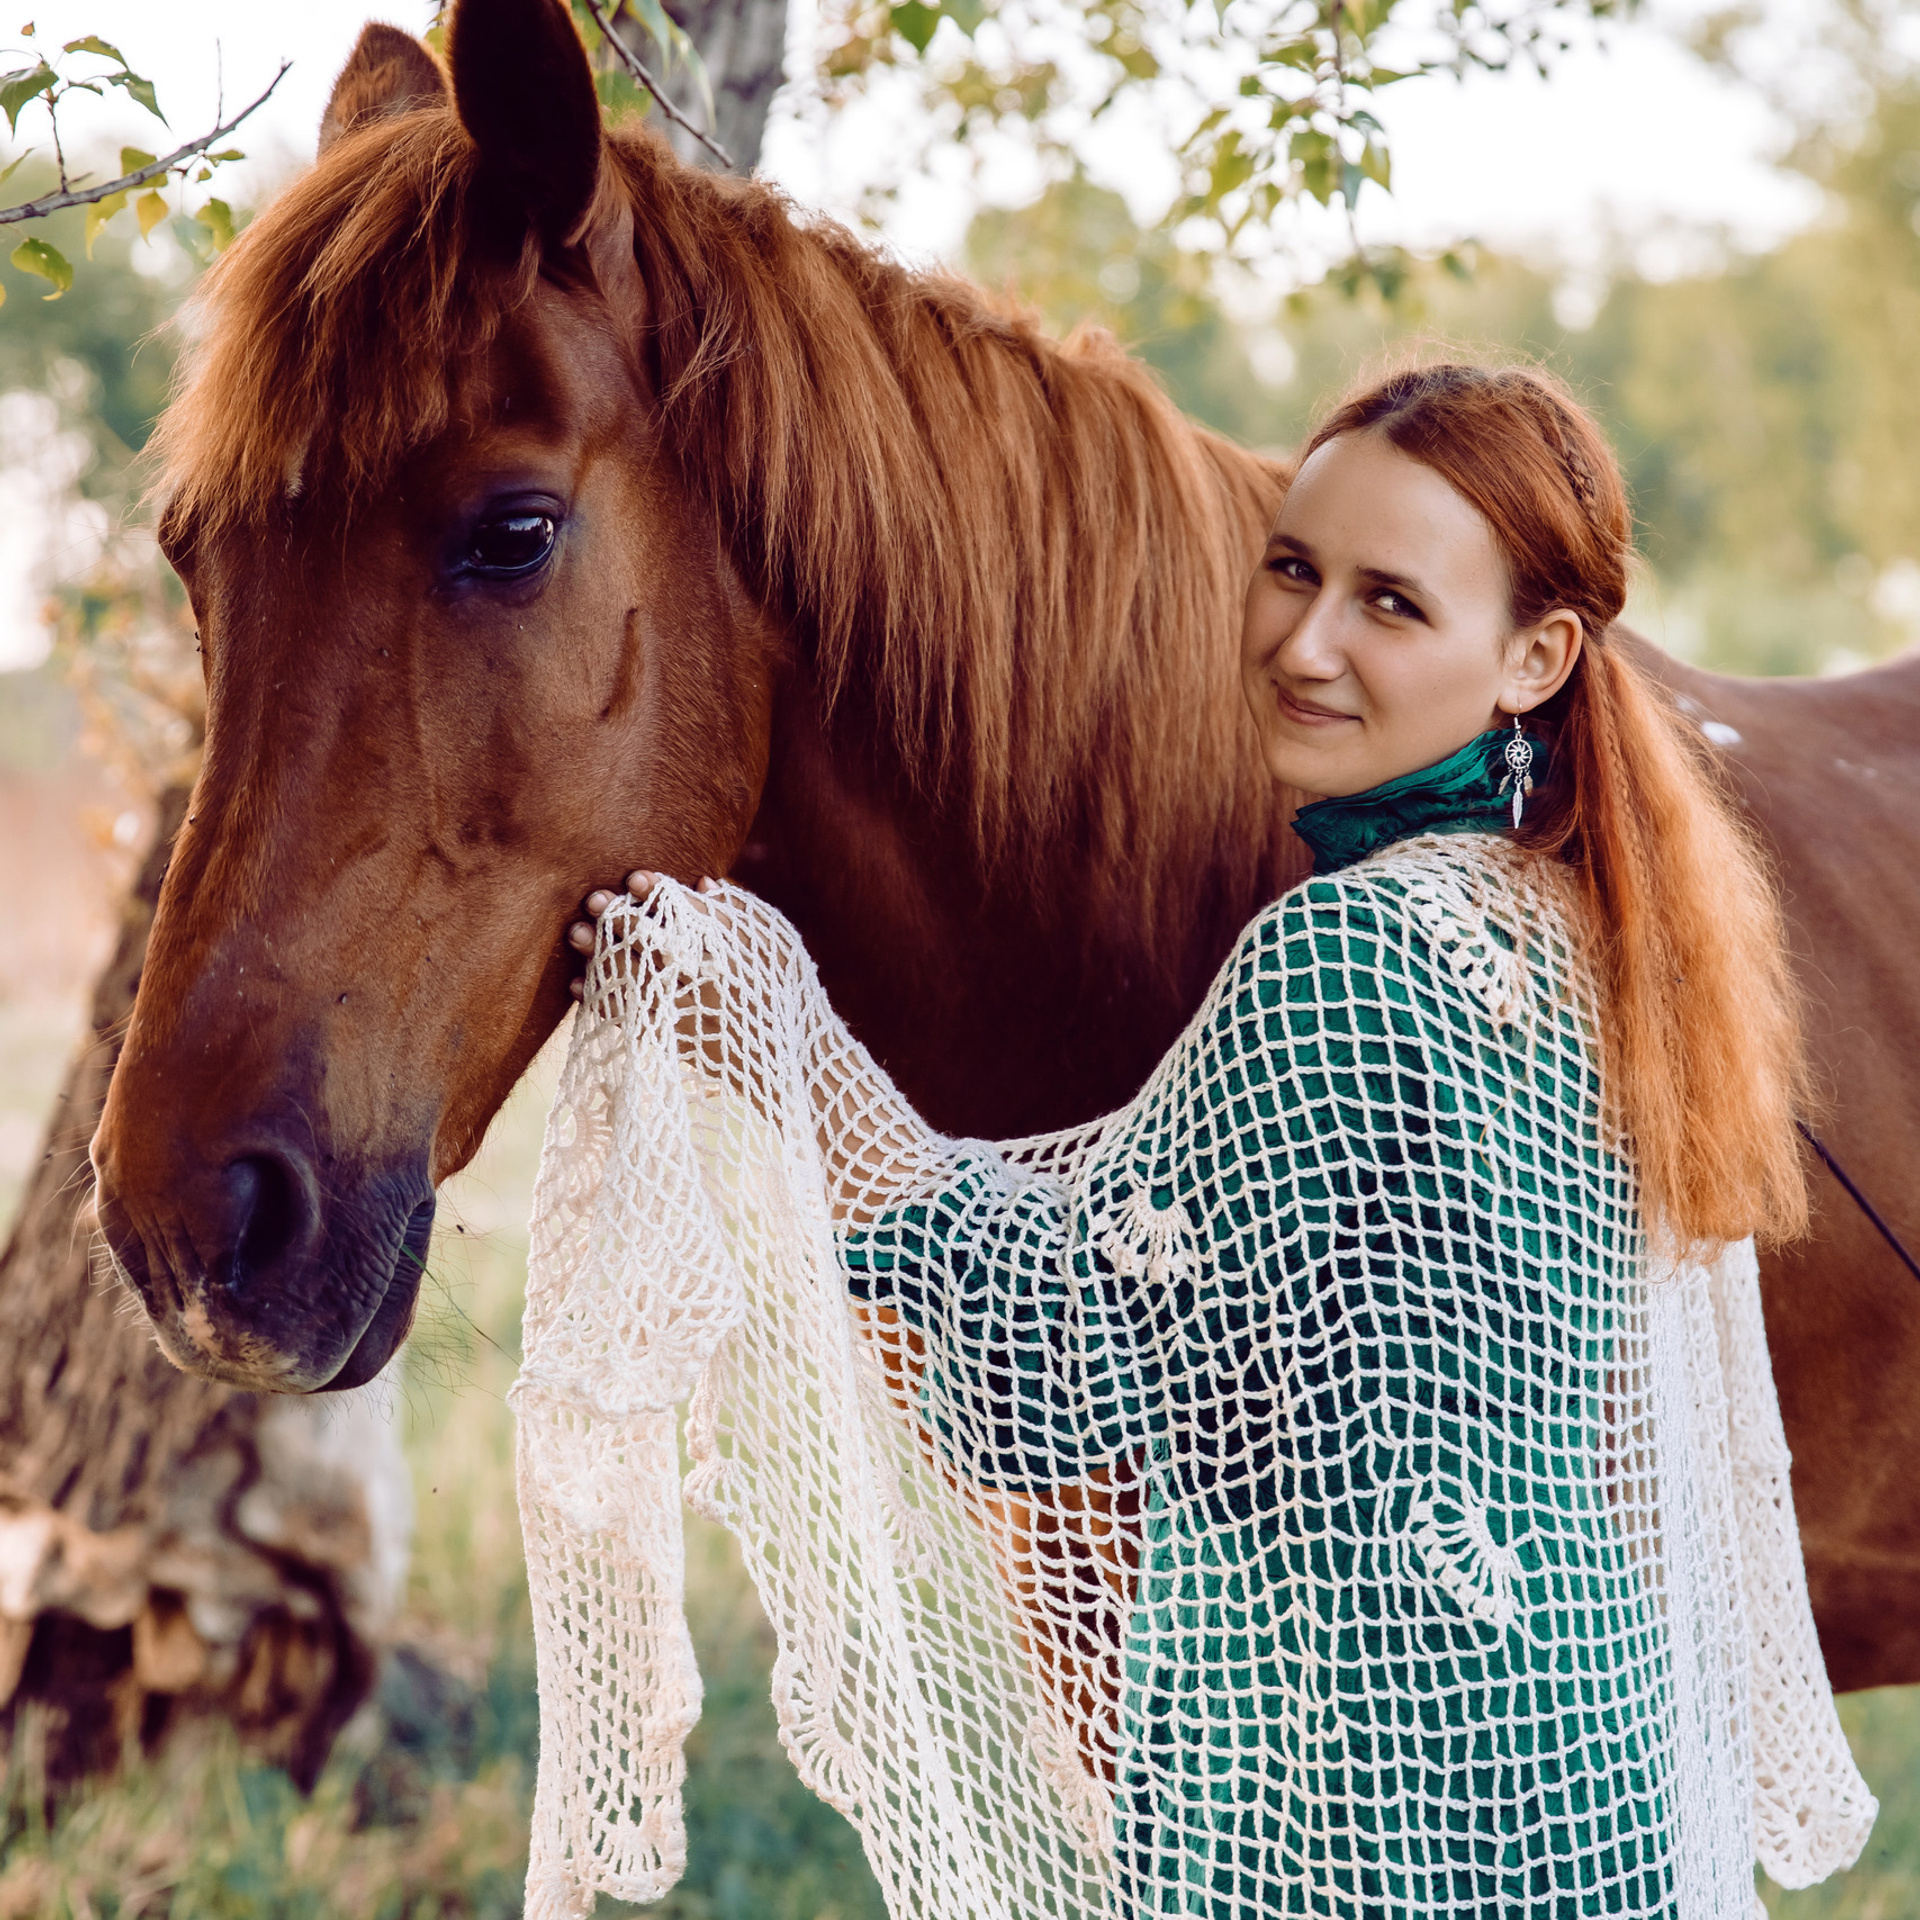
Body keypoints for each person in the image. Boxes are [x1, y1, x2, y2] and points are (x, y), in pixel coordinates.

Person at [562, 362, 1850, 1917]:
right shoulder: (1580, 925)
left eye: (1391, 603)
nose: (1304, 645)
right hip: (1582, 1752)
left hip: (1373, 1798)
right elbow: (1254, 1331)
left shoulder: (1351, 954)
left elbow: (1062, 1356)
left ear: (1535, 657)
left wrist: (775, 1039)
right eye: (1293, 569)